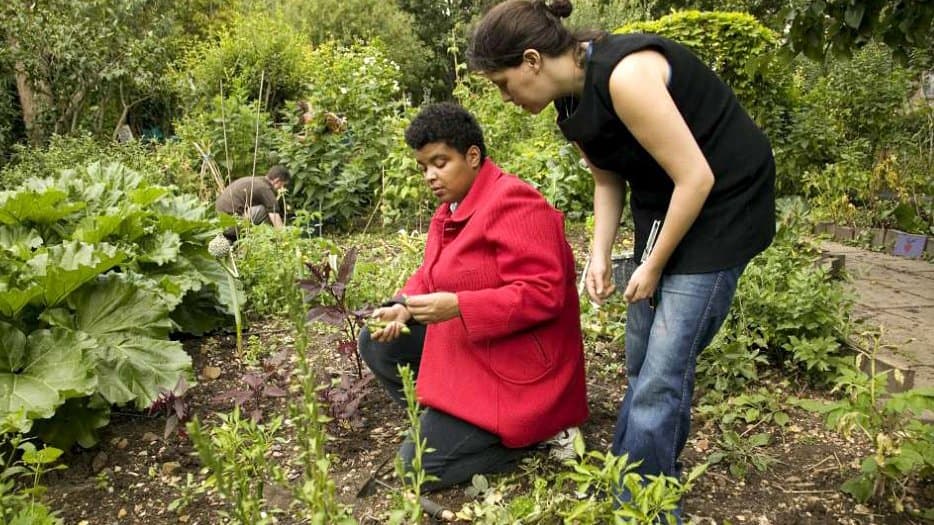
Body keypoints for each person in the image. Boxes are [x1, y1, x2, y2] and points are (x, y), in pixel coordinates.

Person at [468, 0, 776, 512]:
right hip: (667, 202)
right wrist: (600, 253)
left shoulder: (625, 76)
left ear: (531, 60)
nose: (504, 97)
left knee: (663, 369)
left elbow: (697, 177)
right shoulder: (569, 105)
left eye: (503, 83)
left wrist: (651, 266)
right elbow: (608, 180)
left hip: (724, 202)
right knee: (641, 358)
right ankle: (631, 474)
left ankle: (644, 505)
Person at [359, 102, 588, 490]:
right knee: (379, 343)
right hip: (481, 346)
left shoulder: (515, 203)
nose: (430, 176)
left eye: (440, 163)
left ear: (472, 156)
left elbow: (544, 293)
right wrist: (402, 306)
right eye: (423, 167)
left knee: (415, 470)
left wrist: (459, 306)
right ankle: (451, 421)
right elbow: (432, 273)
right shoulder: (453, 206)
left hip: (520, 366)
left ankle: (538, 433)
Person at [215, 165, 291, 240]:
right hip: (233, 224)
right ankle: (269, 239)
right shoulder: (264, 188)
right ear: (277, 181)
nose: (281, 188)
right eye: (282, 185)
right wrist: (284, 237)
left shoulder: (256, 181)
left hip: (220, 222)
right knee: (266, 210)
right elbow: (274, 215)